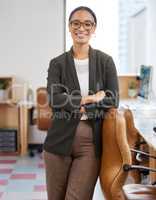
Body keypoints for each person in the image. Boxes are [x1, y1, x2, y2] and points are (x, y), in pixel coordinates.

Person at [43, 6, 119, 200]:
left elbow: (114, 98)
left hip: (90, 144)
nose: (81, 28)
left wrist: (83, 106)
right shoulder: (57, 63)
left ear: (94, 29)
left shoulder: (105, 61)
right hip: (58, 142)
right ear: (69, 27)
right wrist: (90, 99)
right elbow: (54, 97)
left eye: (87, 24)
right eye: (76, 23)